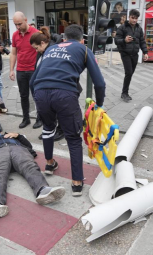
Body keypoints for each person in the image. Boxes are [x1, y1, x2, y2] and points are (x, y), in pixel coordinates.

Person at [30, 25, 106, 197]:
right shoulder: (84, 49)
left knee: (48, 128)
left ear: (64, 39)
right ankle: (77, 182)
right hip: (64, 93)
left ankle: (49, 164)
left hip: (40, 91)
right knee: (72, 137)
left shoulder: (50, 49)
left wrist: (38, 98)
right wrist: (99, 104)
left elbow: (33, 79)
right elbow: (99, 83)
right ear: (82, 40)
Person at [29, 26, 65, 141]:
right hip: (46, 88)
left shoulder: (53, 51)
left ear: (43, 43)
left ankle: (61, 130)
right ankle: (50, 129)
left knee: (59, 111)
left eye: (36, 48)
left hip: (59, 87)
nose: (36, 51)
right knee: (49, 112)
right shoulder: (43, 51)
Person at [9, 11, 41, 129]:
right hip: (21, 70)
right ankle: (26, 118)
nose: (18, 27)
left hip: (33, 70)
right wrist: (11, 70)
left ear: (26, 20)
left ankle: (39, 118)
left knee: (36, 95)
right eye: (15, 24)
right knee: (23, 96)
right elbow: (13, 53)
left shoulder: (36, 33)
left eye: (19, 24)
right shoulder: (15, 35)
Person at [115, 9, 149, 102]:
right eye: (132, 18)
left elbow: (142, 41)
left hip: (135, 54)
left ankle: (124, 92)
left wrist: (145, 52)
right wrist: (124, 40)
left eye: (136, 18)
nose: (134, 20)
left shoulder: (139, 28)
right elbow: (116, 40)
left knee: (130, 74)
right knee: (129, 73)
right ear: (129, 17)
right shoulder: (122, 27)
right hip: (125, 53)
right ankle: (124, 93)